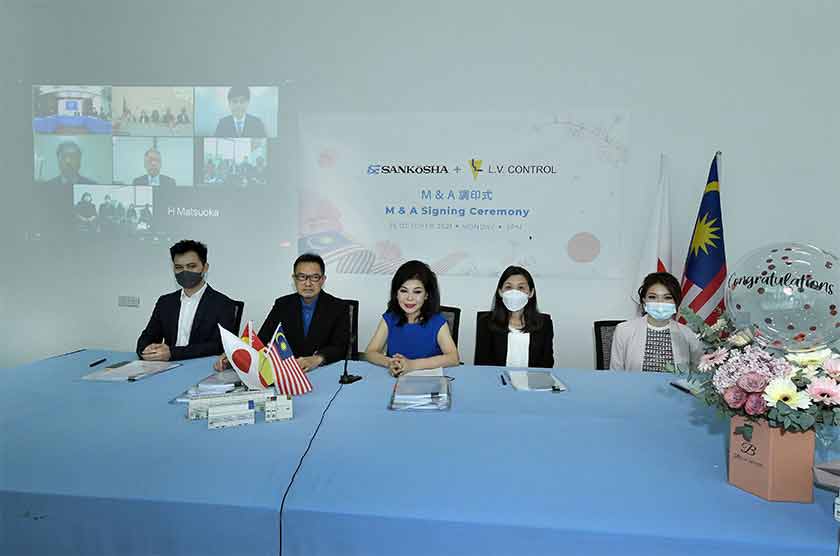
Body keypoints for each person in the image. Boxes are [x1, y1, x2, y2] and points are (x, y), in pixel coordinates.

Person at [213, 253, 350, 373]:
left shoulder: (339, 307)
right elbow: (263, 339)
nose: (308, 283)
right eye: (302, 277)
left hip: (324, 371)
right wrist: (235, 354)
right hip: (287, 373)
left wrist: (316, 359)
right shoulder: (282, 304)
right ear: (294, 279)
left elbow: (341, 347)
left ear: (322, 280)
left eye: (314, 277)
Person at [137, 240, 236, 361]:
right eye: (179, 267)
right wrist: (147, 349)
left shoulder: (223, 304)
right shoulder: (165, 302)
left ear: (205, 268)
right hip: (164, 369)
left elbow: (219, 346)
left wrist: (173, 354)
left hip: (201, 370)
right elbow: (147, 337)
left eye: (191, 266)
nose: (185, 272)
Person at [363, 260, 459, 376]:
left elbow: (453, 358)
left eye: (417, 292)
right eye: (404, 291)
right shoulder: (389, 318)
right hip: (395, 380)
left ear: (426, 295)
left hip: (428, 381)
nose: (409, 298)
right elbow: (369, 353)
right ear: (396, 293)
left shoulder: (437, 321)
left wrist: (411, 365)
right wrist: (391, 362)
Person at [610, 272, 703, 372]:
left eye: (667, 297)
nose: (660, 303)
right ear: (644, 300)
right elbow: (616, 373)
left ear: (676, 302)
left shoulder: (688, 333)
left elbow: (698, 371)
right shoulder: (623, 330)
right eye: (652, 297)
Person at [474, 265, 554, 368]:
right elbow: (482, 366)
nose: (514, 292)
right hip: (498, 382)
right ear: (500, 292)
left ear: (531, 293)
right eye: (508, 287)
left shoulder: (544, 323)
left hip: (533, 382)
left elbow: (547, 365)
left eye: (521, 287)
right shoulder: (486, 322)